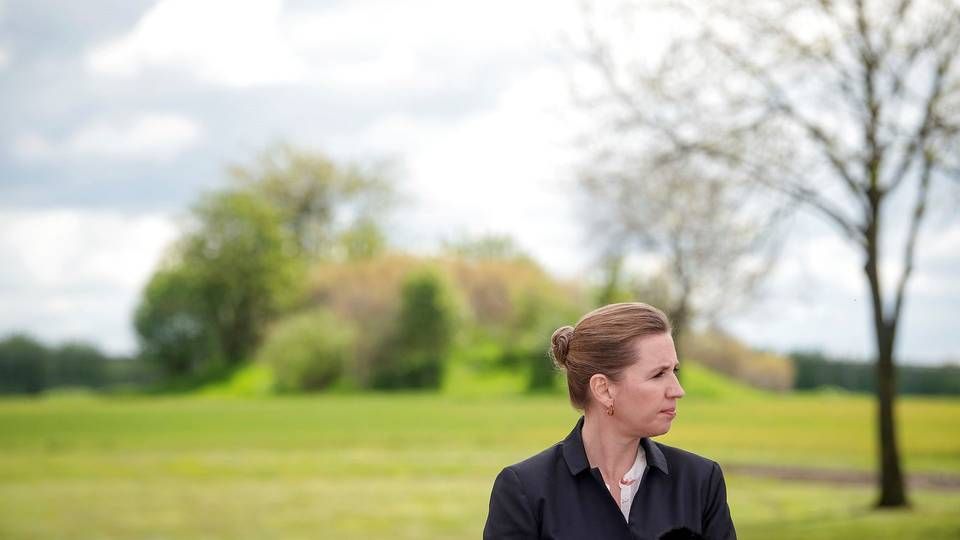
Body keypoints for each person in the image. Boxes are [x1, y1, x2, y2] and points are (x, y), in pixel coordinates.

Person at [483, 303, 736, 540]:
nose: (677, 390)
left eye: (674, 371)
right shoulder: (524, 490)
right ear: (603, 389)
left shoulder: (699, 481)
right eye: (658, 374)